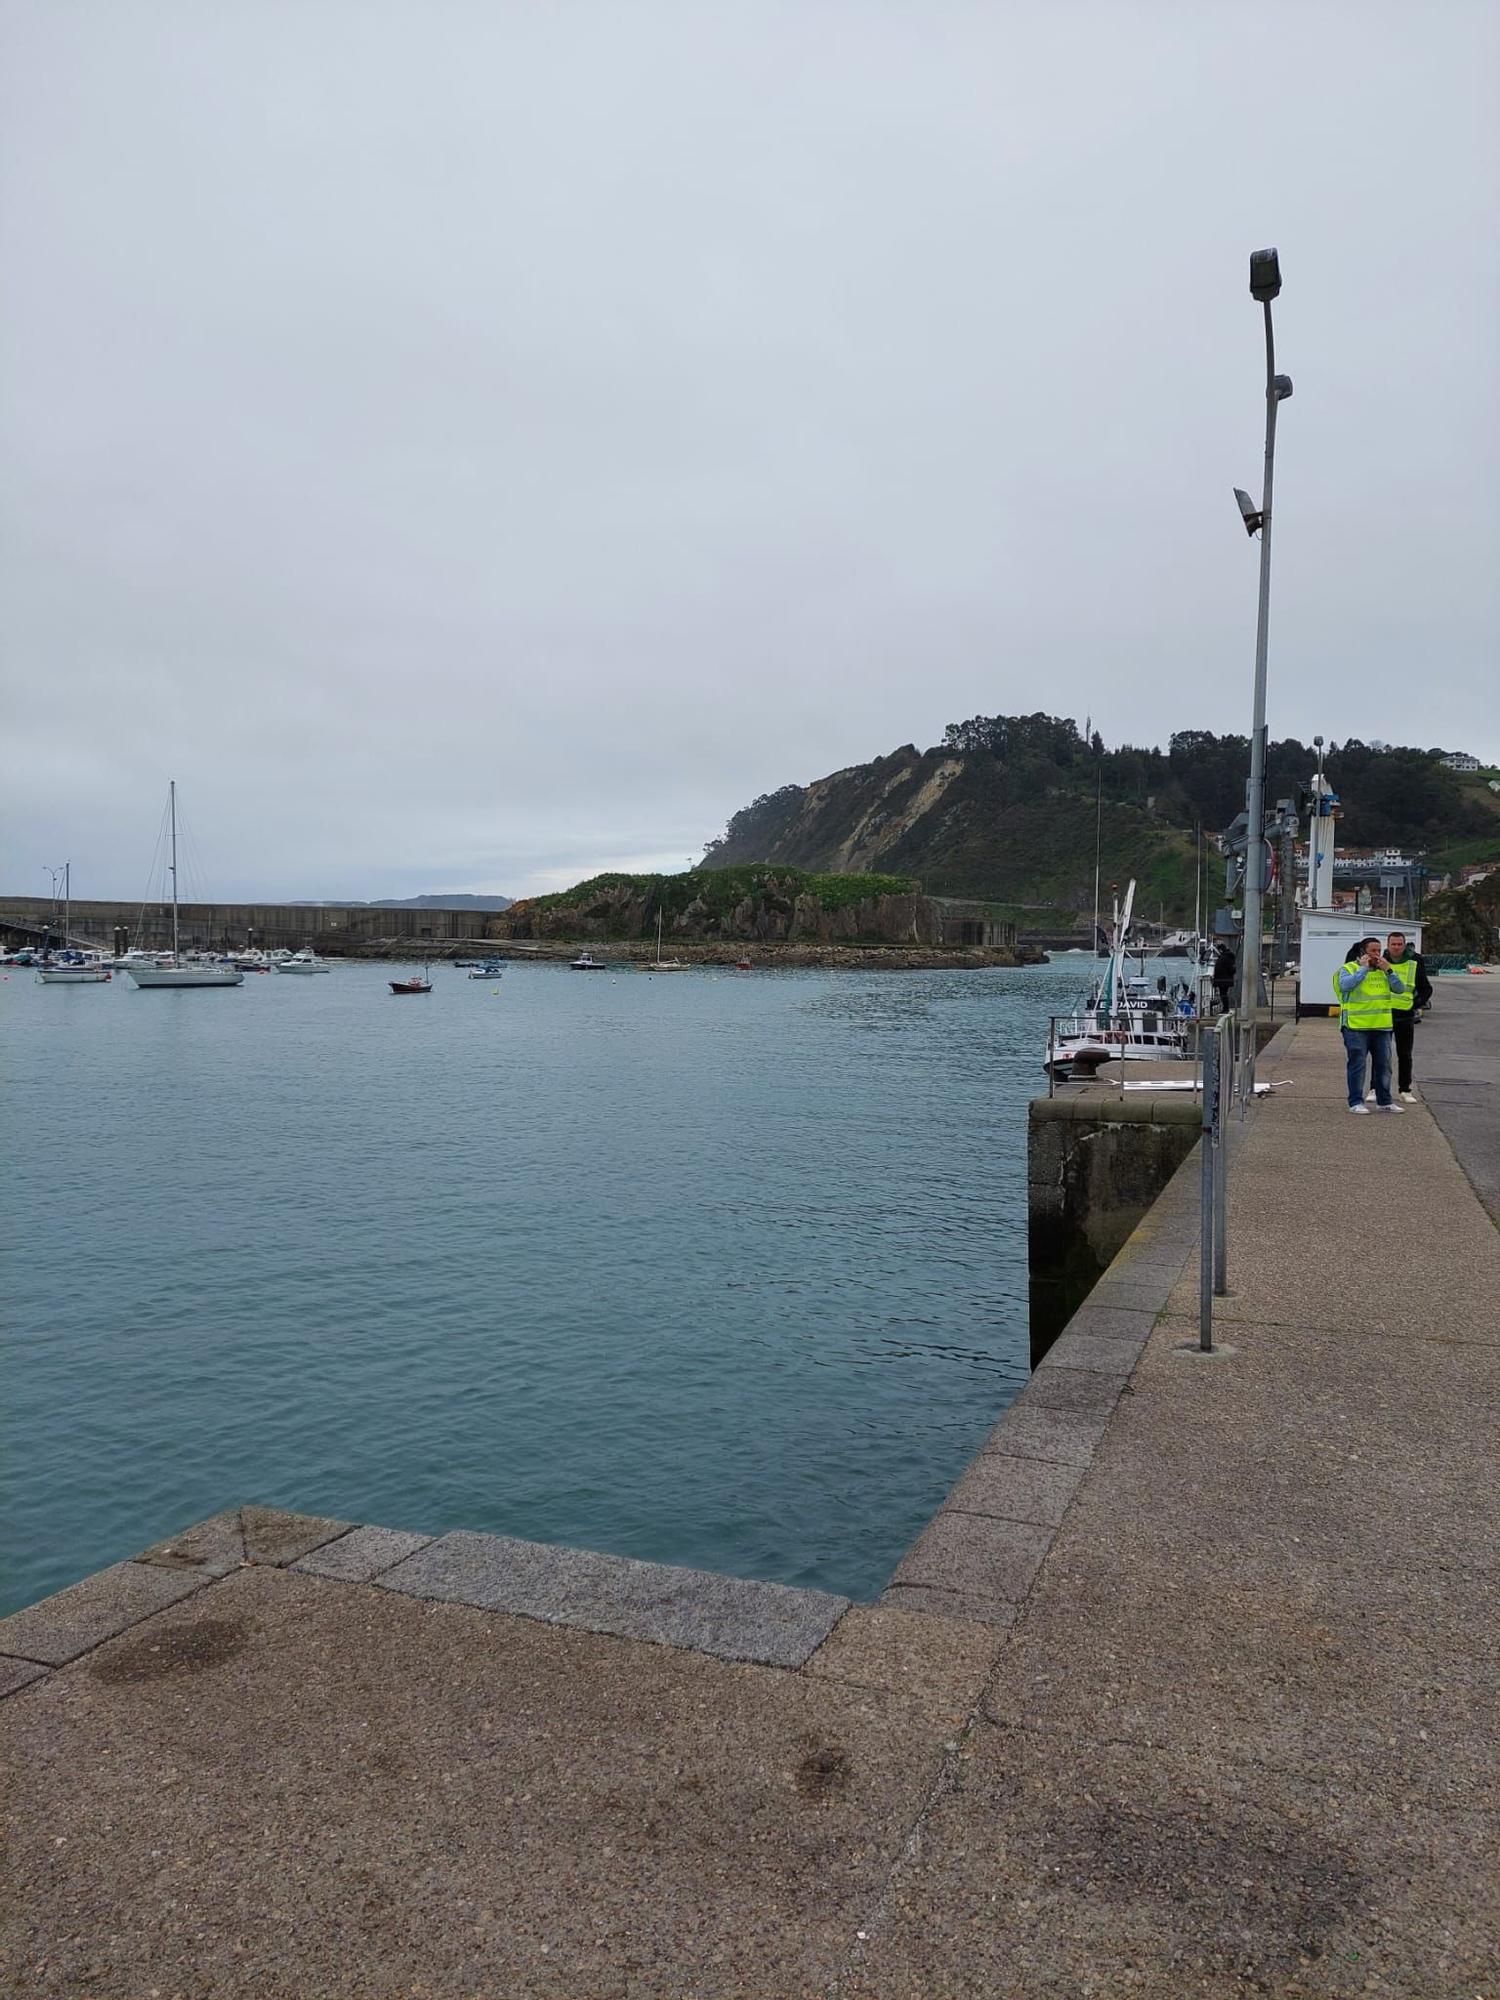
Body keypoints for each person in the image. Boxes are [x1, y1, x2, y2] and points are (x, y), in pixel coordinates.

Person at [1334, 936, 1407, 1112]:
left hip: (1381, 1026)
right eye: (1373, 951)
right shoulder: (1348, 969)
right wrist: (1363, 970)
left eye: (1379, 951)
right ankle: (1356, 1102)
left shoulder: (1383, 971)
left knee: (1384, 1065)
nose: (1377, 955)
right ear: (1362, 953)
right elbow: (1345, 986)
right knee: (1357, 1064)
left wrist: (1389, 971)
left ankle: (1385, 1101)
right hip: (1355, 1026)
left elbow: (1399, 989)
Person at [1383, 930, 1432, 1103]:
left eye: (1399, 944)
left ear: (1404, 945)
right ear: (1387, 946)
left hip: (1404, 1016)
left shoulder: (1415, 961)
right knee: (1381, 1055)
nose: (1396, 947)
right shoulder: (1380, 961)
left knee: (1404, 1054)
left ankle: (1405, 1089)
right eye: (1393, 944)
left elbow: (1426, 989)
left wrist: (1414, 1004)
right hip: (1383, 1016)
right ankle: (1376, 1088)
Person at [1212, 944, 1236, 1014]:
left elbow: (1219, 969)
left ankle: (1225, 1008)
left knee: (1223, 994)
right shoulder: (1229, 957)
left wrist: (1215, 979)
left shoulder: (1223, 958)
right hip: (1226, 979)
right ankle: (1225, 1008)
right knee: (1224, 994)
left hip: (1222, 980)